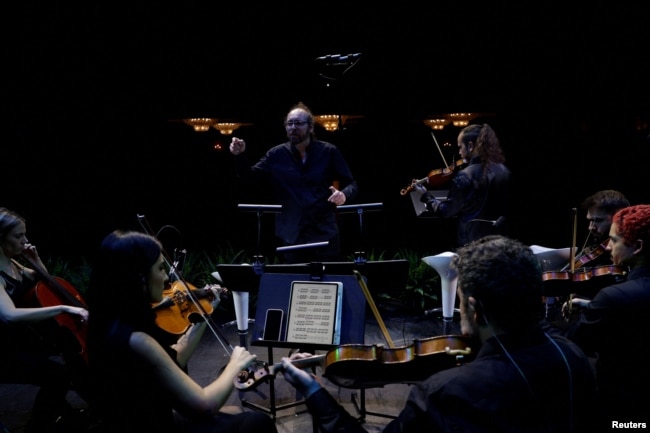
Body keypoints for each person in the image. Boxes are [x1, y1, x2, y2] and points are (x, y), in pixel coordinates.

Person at [280, 235, 599, 433]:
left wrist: (314, 392)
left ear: (475, 308)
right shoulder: (573, 356)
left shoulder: (445, 391)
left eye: (461, 301)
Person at [86, 230, 277, 433]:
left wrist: (201, 314)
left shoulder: (107, 323)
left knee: (243, 419)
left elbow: (171, 360)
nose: (166, 277)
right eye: (160, 268)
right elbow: (204, 406)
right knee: (257, 423)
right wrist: (235, 365)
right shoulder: (137, 340)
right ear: (139, 277)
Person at [229, 102, 359, 263]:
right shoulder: (276, 154)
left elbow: (352, 183)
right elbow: (249, 179)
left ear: (310, 127)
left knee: (328, 284)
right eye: (289, 123)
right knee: (295, 283)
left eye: (298, 123)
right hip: (291, 235)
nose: (293, 127)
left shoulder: (328, 151)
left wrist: (343, 195)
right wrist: (240, 156)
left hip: (324, 233)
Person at [0, 207, 90, 433]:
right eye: (18, 236)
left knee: (65, 366)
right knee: (58, 374)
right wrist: (63, 308)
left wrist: (35, 260)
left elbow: (45, 284)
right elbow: (9, 316)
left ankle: (65, 417)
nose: (25, 240)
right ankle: (37, 427)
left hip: (24, 341)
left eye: (25, 235)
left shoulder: (14, 264)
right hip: (5, 351)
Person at [564, 204, 650, 424]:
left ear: (638, 246)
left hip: (622, 406)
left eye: (614, 240)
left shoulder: (613, 297)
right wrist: (595, 306)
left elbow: (573, 345)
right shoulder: (615, 298)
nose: (608, 248)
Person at [415, 123, 511, 247]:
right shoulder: (505, 171)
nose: (459, 152)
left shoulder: (465, 175)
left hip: (473, 245)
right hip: (502, 243)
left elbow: (446, 211)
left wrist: (426, 195)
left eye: (460, 147)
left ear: (470, 146)